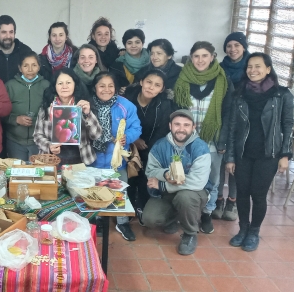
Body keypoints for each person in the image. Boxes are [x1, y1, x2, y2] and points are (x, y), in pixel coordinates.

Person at [225, 53, 293, 252]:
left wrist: (285, 155)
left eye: (258, 66)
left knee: (259, 194)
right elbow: (232, 128)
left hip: (268, 154)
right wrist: (230, 157)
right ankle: (243, 229)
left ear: (268, 69)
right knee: (242, 193)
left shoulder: (281, 95)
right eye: (249, 67)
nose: (252, 70)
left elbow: (287, 126)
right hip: (243, 153)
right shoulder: (239, 94)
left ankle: (254, 231)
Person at [173, 41, 234, 234]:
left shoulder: (223, 79)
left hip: (212, 139)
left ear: (212, 57)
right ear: (191, 58)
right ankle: (183, 213)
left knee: (212, 180)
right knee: (183, 175)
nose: (200, 60)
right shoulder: (182, 78)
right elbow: (176, 108)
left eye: (204, 56)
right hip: (185, 138)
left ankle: (207, 214)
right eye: (196, 56)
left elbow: (228, 113)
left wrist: (222, 140)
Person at [144, 109, 212, 255]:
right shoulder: (160, 145)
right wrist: (165, 174)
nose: (181, 129)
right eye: (177, 124)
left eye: (186, 125)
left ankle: (190, 234)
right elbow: (150, 171)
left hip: (193, 193)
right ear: (170, 126)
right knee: (149, 219)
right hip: (168, 194)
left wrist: (162, 184)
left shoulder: (201, 148)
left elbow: (197, 182)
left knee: (185, 197)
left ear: (193, 127)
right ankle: (173, 219)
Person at [89, 72, 142, 241]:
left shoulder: (126, 105)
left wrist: (128, 136)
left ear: (116, 88)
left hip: (116, 159)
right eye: (101, 86)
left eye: (110, 86)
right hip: (94, 158)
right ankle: (98, 218)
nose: (106, 89)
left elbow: (136, 127)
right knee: (95, 190)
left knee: (119, 191)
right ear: (95, 88)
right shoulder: (88, 105)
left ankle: (122, 221)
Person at [124, 69, 178, 220]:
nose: (151, 87)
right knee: (128, 177)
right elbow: (120, 122)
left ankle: (141, 207)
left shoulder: (164, 104)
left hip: (151, 146)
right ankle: (127, 208)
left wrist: (148, 148)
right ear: (141, 82)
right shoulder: (127, 98)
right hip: (127, 143)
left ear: (162, 89)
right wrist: (134, 139)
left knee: (145, 176)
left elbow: (162, 131)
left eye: (157, 85)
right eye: (148, 82)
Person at [214, 32, 249, 221]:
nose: (233, 49)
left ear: (244, 46)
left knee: (237, 161)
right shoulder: (220, 69)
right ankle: (219, 199)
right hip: (224, 118)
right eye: (229, 45)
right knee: (221, 157)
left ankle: (232, 201)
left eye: (237, 45)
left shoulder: (251, 67)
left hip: (245, 122)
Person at [33, 68, 101, 165]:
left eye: (68, 82)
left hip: (81, 159)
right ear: (55, 86)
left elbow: (96, 135)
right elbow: (37, 135)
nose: (64, 86)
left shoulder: (82, 106)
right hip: (52, 159)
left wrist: (88, 114)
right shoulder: (47, 108)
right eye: (60, 83)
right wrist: (49, 146)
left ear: (75, 85)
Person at [5, 51, 50, 160]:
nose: (30, 69)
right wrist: (15, 119)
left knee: (38, 172)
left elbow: (52, 111)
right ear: (20, 68)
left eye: (34, 65)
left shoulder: (46, 85)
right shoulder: (10, 86)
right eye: (26, 66)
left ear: (39, 67)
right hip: (15, 141)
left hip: (39, 141)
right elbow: (0, 112)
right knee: (18, 173)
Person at [0, 15, 33, 83]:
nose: (8, 36)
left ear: (15, 33)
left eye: (11, 32)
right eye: (4, 32)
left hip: (19, 93)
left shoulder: (26, 51)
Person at [110, 29, 150, 93]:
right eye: (129, 43)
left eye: (137, 42)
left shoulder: (152, 61)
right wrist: (119, 90)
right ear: (125, 45)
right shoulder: (117, 65)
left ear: (142, 43)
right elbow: (113, 86)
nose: (133, 46)